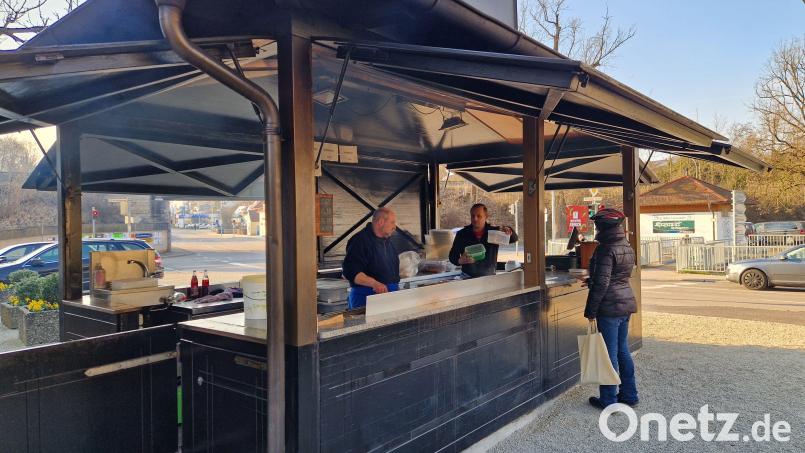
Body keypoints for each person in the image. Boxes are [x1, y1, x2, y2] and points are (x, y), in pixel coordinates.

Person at [582, 208, 639, 409]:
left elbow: (603, 283)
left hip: (609, 307)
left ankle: (608, 399)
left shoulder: (606, 248)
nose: (595, 228)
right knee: (623, 351)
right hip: (625, 303)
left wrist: (590, 311)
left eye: (597, 225)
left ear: (603, 227)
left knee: (609, 355)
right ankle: (630, 394)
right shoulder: (626, 245)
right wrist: (593, 279)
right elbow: (617, 276)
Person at [342, 207, 400, 309]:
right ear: (381, 222)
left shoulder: (388, 242)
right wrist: (375, 284)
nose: (394, 227)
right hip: (366, 299)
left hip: (390, 298)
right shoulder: (359, 241)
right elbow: (351, 272)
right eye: (392, 222)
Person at [448, 203, 518, 278]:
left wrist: (509, 231)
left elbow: (514, 239)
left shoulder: (494, 232)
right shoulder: (462, 234)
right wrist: (459, 261)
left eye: (479, 216)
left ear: (486, 217)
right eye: (473, 216)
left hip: (489, 277)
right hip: (467, 278)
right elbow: (452, 256)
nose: (475, 219)